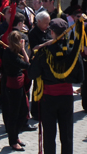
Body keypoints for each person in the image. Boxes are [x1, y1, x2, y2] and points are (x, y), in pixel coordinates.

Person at [29, 18, 84, 154]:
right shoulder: (73, 52)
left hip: (48, 98)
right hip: (66, 98)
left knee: (49, 135)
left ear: (52, 32)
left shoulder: (44, 52)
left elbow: (32, 74)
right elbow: (80, 77)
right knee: (67, 135)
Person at [3, 31, 30, 151]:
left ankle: (16, 135)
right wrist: (23, 50)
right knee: (14, 114)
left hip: (18, 85)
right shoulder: (10, 54)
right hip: (13, 86)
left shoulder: (12, 52)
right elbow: (27, 63)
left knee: (23, 111)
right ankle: (13, 140)